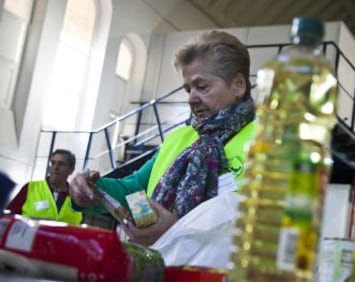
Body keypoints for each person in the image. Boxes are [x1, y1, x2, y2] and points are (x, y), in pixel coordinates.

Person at [69, 30, 256, 245]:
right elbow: (134, 192)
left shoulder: (270, 143)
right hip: (157, 272)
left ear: (238, 85)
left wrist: (178, 231)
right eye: (188, 89)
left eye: (202, 87)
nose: (192, 99)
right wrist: (92, 190)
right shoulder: (179, 139)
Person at [6, 149, 82, 224]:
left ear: (71, 170)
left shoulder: (77, 196)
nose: (55, 167)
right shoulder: (30, 187)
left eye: (61, 164)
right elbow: (8, 217)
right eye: (53, 163)